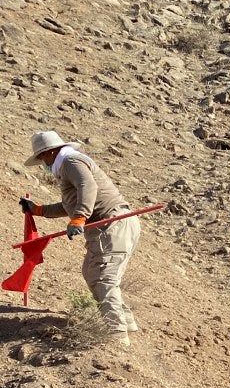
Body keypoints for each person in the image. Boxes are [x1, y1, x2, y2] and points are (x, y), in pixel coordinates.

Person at [21, 131, 141, 347]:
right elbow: (70, 204)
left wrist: (79, 217)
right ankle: (126, 321)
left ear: (49, 152)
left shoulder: (70, 161)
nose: (42, 163)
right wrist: (39, 210)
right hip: (110, 225)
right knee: (92, 272)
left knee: (103, 277)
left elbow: (88, 187)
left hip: (111, 224)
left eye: (42, 158)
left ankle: (116, 336)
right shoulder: (67, 165)